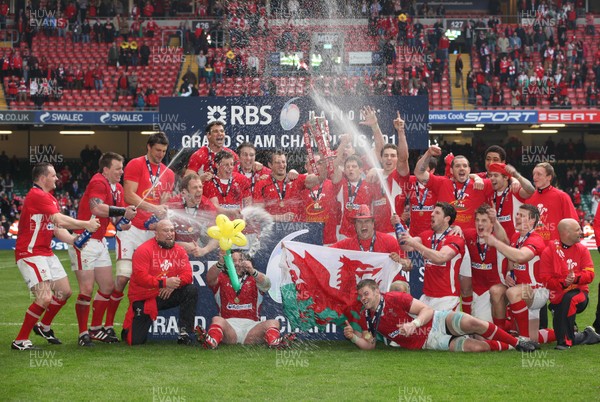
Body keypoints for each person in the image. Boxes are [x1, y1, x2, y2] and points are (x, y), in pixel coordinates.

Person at [12, 163, 101, 350]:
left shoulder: (49, 198)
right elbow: (59, 219)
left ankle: (43, 326)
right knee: (44, 298)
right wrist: (86, 224)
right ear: (43, 178)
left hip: (45, 252)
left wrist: (73, 240)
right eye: (53, 176)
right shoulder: (36, 195)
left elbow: (56, 228)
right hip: (30, 252)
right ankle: (20, 340)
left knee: (64, 291)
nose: (57, 179)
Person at [343, 279, 536, 352]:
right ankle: (510, 346)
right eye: (361, 296)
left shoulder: (395, 297)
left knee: (472, 322)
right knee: (476, 347)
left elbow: (426, 310)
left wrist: (414, 324)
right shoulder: (367, 316)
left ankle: (518, 342)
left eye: (366, 294)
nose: (363, 299)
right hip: (428, 342)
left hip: (436, 320)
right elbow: (369, 344)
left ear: (377, 291)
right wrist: (353, 337)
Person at [68, 152, 137, 346]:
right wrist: (123, 212)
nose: (121, 172)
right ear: (106, 169)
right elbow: (96, 209)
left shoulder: (119, 188)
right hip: (85, 239)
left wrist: (125, 221)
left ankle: (96, 329)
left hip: (99, 241)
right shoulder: (98, 182)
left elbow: (117, 220)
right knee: (87, 289)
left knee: (107, 287)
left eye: (122, 168)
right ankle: (82, 333)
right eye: (117, 168)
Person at [111, 133, 175, 335]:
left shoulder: (169, 173)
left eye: (164, 151)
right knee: (123, 277)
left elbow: (163, 203)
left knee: (146, 281)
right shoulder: (135, 165)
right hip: (131, 229)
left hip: (150, 232)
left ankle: (131, 324)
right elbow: (129, 195)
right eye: (157, 150)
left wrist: (162, 211)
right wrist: (152, 207)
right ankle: (104, 325)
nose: (161, 155)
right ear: (148, 147)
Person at [196, 250, 294, 349]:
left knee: (274, 322)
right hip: (229, 328)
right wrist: (220, 262)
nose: (237, 263)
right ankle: (211, 342)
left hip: (251, 328)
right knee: (217, 320)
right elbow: (209, 279)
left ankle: (275, 343)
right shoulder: (221, 277)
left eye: (240, 260)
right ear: (228, 262)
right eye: (233, 261)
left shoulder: (254, 279)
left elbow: (267, 284)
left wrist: (252, 271)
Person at [121, 220, 197, 345]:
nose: (170, 234)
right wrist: (164, 283)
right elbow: (140, 278)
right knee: (135, 341)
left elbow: (188, 275)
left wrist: (173, 285)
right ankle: (128, 328)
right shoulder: (143, 250)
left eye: (172, 230)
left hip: (166, 293)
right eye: (166, 231)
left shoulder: (180, 251)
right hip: (145, 296)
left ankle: (185, 333)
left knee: (190, 290)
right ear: (156, 234)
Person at [482, 204, 547, 344]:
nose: (517, 217)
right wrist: (509, 272)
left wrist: (496, 243)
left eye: (522, 216)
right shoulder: (517, 236)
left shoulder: (536, 239)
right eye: (517, 214)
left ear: (532, 220)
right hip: (520, 289)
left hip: (538, 291)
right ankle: (501, 335)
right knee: (496, 290)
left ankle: (525, 340)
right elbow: (511, 255)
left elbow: (521, 257)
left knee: (512, 293)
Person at [540, 218, 600, 349]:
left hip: (580, 294)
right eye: (577, 229)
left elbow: (590, 275)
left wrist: (575, 278)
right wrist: (563, 282)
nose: (581, 232)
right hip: (558, 296)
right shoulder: (549, 252)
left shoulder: (583, 250)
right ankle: (586, 335)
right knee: (563, 304)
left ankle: (565, 342)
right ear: (566, 233)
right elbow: (545, 280)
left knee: (569, 298)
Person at [399, 202, 465, 311]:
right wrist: (398, 225)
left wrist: (415, 244)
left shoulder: (456, 237)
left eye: (437, 213)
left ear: (447, 219)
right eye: (433, 211)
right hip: (427, 296)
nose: (432, 214)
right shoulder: (427, 235)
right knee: (413, 321)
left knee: (436, 327)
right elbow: (406, 247)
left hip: (447, 297)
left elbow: (440, 258)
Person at [460, 205, 508, 322]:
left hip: (495, 287)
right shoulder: (469, 235)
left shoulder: (496, 239)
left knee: (486, 330)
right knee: (480, 333)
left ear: (491, 224)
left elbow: (505, 241)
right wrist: (455, 228)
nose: (479, 224)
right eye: (477, 220)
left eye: (484, 220)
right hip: (478, 290)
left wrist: (496, 221)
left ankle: (503, 332)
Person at [331, 204, 411, 273]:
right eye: (359, 222)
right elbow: (325, 253)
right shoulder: (346, 244)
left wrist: (399, 260)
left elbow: (409, 266)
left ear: (373, 224)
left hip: (387, 287)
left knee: (399, 286)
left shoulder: (388, 240)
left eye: (367, 221)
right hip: (361, 287)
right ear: (355, 225)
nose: (363, 225)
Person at [253, 150, 319, 222]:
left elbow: (318, 178)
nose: (281, 165)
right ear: (270, 165)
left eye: (283, 162)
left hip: (296, 229)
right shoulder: (261, 183)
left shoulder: (296, 179)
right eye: (277, 163)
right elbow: (258, 215)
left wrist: (326, 164)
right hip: (271, 229)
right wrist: (280, 218)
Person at [167, 173, 218, 257]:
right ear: (184, 192)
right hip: (173, 250)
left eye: (200, 187)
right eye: (195, 187)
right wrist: (179, 246)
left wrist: (204, 250)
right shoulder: (173, 205)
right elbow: (160, 236)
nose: (199, 190)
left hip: (198, 250)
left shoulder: (207, 207)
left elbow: (217, 237)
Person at [526, 162, 577, 244]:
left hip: (555, 248)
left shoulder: (562, 196)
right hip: (533, 249)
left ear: (549, 177)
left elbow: (573, 223)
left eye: (539, 174)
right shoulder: (529, 198)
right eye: (534, 174)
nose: (535, 177)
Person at [487, 162, 534, 240]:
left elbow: (531, 190)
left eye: (495, 175)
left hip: (516, 243)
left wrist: (516, 175)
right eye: (490, 175)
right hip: (498, 244)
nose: (491, 178)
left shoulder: (514, 190)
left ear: (505, 178)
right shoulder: (490, 193)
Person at [203, 150, 251, 220]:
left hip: (238, 224)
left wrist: (246, 216)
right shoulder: (210, 182)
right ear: (217, 165)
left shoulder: (242, 179)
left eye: (232, 164)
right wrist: (231, 212)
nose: (230, 167)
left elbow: (248, 203)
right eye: (226, 165)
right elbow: (215, 208)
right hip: (219, 224)